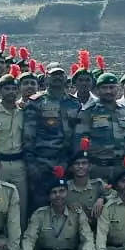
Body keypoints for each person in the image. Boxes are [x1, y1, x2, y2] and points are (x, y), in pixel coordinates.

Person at [23, 65, 80, 213]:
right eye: (53, 74)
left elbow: (77, 135)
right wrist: (31, 164)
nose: (57, 77)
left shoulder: (74, 103)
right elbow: (28, 136)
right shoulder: (36, 102)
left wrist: (73, 161)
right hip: (42, 162)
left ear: (66, 78)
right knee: (40, 205)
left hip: (66, 162)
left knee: (65, 205)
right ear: (46, 78)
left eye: (61, 74)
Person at [19, 169, 96, 250]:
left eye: (61, 191)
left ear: (67, 192)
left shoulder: (77, 213)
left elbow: (87, 236)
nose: (58, 195)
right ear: (48, 196)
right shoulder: (40, 214)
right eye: (54, 192)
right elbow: (29, 237)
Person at [0, 69, 29, 224]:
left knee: (20, 204)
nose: (11, 92)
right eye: (7, 88)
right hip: (0, 164)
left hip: (19, 164)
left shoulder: (24, 112)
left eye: (14, 88)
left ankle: (20, 240)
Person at [74, 72, 125, 184]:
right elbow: (79, 143)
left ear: (118, 89)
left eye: (112, 87)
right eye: (104, 88)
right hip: (97, 168)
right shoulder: (88, 112)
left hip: (120, 168)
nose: (108, 91)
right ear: (97, 90)